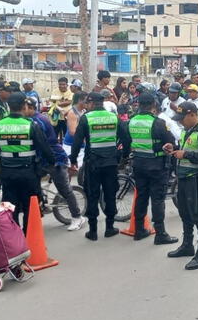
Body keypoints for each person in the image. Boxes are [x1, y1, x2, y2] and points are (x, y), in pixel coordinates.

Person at [0, 93, 55, 233]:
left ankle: (15, 239)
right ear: (24, 106)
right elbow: (46, 150)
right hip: (29, 173)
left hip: (7, 173)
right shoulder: (31, 125)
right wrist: (48, 166)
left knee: (11, 207)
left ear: (9, 106)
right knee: (31, 207)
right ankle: (29, 237)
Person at [69, 92, 129, 241]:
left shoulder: (86, 118)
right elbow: (126, 138)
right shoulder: (113, 117)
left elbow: (77, 141)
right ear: (102, 103)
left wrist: (73, 159)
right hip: (110, 163)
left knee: (92, 195)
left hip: (93, 163)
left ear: (90, 103)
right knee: (110, 194)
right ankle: (109, 228)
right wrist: (123, 156)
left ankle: (93, 231)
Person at [164, 102, 198, 270]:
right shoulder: (187, 131)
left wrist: (185, 154)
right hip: (184, 178)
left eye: (182, 119)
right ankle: (187, 245)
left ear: (192, 114)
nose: (180, 122)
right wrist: (174, 148)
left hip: (197, 180)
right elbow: (185, 149)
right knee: (184, 213)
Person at [122, 93, 178, 244]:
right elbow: (172, 142)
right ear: (154, 104)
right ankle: (160, 234)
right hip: (157, 166)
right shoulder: (158, 123)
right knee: (158, 199)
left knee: (141, 197)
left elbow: (126, 144)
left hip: (139, 164)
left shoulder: (131, 122)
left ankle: (139, 230)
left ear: (139, 104)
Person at [24, 97, 87, 230]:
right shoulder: (29, 120)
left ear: (30, 108)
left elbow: (42, 143)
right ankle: (42, 205)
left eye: (23, 108)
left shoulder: (38, 121)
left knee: (64, 189)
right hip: (40, 160)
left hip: (55, 159)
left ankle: (77, 217)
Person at [63, 92, 87, 168]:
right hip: (71, 145)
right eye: (86, 101)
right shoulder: (72, 113)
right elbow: (72, 132)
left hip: (81, 144)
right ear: (80, 100)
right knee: (71, 169)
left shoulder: (83, 111)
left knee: (81, 169)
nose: (88, 103)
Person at [50, 77, 74, 141]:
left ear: (67, 85)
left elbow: (69, 102)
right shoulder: (55, 91)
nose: (61, 86)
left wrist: (57, 104)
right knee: (54, 134)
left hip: (66, 117)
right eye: (60, 84)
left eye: (63, 84)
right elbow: (52, 100)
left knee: (66, 133)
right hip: (56, 117)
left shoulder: (70, 92)